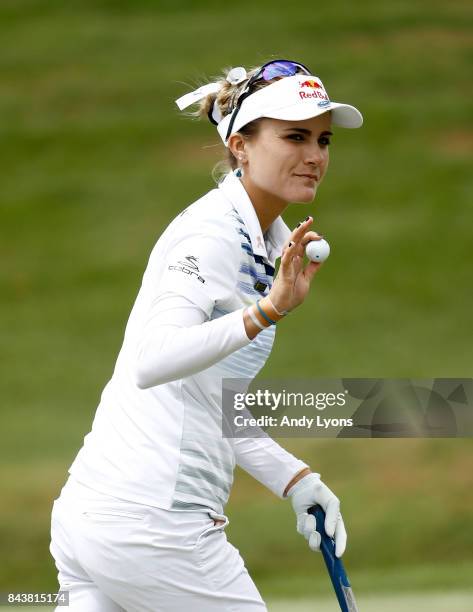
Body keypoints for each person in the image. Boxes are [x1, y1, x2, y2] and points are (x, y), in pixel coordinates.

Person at [49, 58, 363, 611]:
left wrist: (295, 479)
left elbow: (206, 394)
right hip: (152, 526)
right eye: (294, 136)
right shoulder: (210, 235)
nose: (315, 156)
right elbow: (152, 360)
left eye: (323, 139)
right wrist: (267, 311)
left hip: (101, 516)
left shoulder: (264, 243)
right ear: (240, 144)